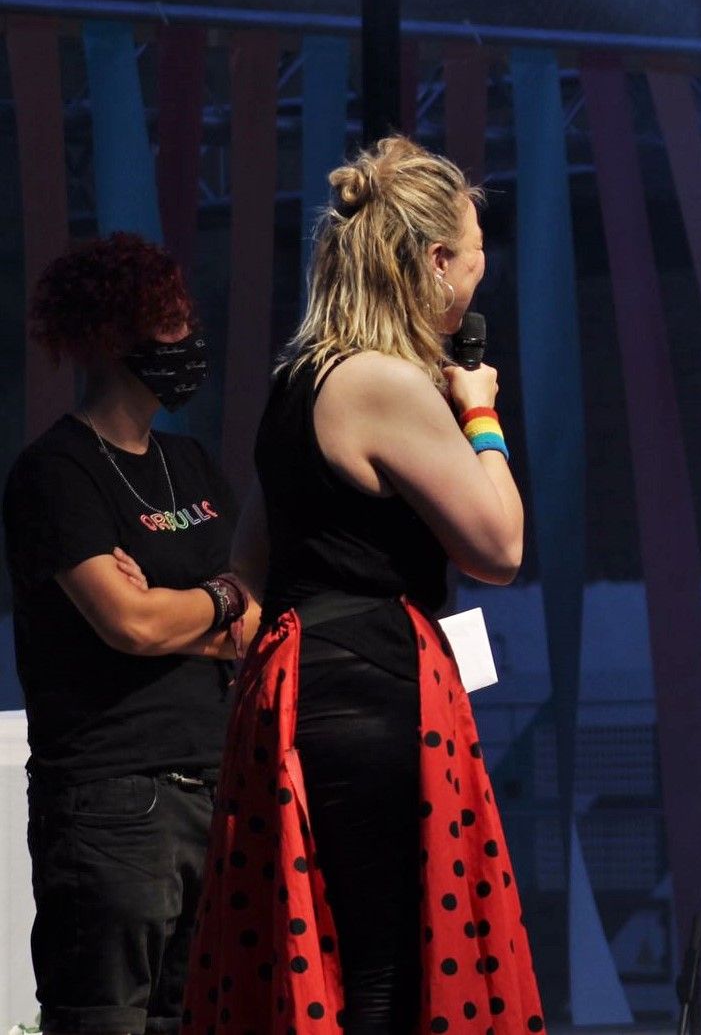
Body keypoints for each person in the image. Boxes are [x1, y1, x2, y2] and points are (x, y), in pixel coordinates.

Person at [181, 136, 543, 1035]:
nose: (477, 279)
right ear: (432, 263)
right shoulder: (383, 384)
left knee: (341, 955)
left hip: (302, 675)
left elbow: (253, 551)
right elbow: (499, 544)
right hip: (367, 687)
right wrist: (481, 413)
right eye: (472, 257)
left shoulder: (299, 381)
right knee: (385, 968)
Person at [3, 233, 257, 1035]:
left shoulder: (192, 464)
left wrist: (197, 603)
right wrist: (211, 604)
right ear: (116, 337)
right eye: (174, 324)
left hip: (215, 785)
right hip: (115, 802)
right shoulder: (58, 472)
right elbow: (131, 622)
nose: (189, 342)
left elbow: (249, 618)